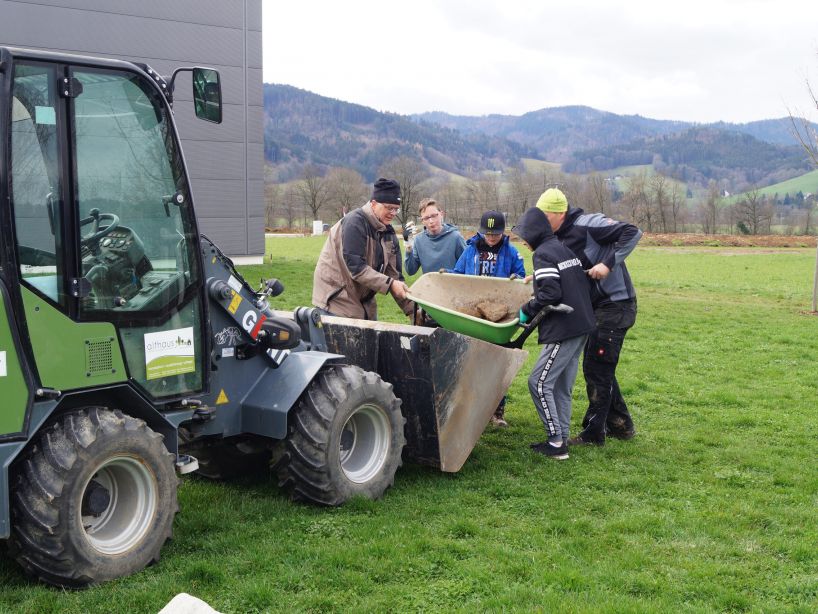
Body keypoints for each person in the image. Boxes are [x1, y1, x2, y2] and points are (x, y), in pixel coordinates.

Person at [535, 188, 642, 445]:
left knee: (596, 366)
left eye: (545, 216)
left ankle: (594, 434)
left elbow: (633, 232)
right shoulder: (557, 238)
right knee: (601, 367)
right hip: (593, 307)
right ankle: (621, 424)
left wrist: (607, 263)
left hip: (616, 304)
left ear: (560, 213)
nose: (541, 222)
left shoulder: (588, 224)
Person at [511, 207, 595, 460]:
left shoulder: (543, 254)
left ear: (534, 233)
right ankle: (563, 436)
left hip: (565, 327)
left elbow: (550, 294)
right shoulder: (561, 248)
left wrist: (526, 310)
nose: (524, 242)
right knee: (560, 385)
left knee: (538, 382)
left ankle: (556, 442)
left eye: (524, 236)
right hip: (582, 324)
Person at [451, 210, 526, 427]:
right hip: (473, 315)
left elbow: (521, 279)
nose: (491, 238)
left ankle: (496, 412)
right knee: (469, 362)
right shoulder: (470, 250)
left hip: (497, 319)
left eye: (496, 234)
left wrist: (516, 279)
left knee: (496, 365)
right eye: (488, 234)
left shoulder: (512, 253)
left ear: (503, 232)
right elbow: (457, 274)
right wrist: (446, 273)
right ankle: (468, 408)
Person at [312, 178, 413, 320]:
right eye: (389, 207)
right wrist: (390, 285)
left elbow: (395, 277)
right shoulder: (354, 223)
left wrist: (412, 311)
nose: (393, 213)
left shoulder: (388, 234)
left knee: (371, 340)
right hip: (336, 299)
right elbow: (356, 268)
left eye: (396, 209)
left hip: (364, 300)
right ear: (373, 203)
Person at [403, 198, 466, 275]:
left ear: (441, 214)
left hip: (452, 285)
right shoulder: (419, 240)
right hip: (430, 286)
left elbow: (467, 267)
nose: (431, 221)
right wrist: (408, 247)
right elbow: (411, 271)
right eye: (426, 218)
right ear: (422, 221)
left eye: (434, 216)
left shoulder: (455, 237)